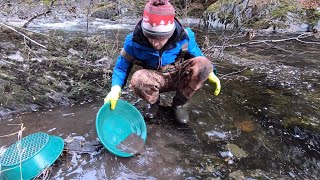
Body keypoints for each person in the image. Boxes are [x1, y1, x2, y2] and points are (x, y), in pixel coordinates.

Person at [104, 0, 221, 124]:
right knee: (138, 78)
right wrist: (116, 88)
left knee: (204, 64)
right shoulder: (133, 42)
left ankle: (178, 105)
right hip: (154, 79)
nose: (156, 43)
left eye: (161, 39)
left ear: (170, 33)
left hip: (178, 75)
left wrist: (210, 72)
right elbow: (121, 67)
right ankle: (154, 104)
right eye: (151, 37)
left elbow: (199, 58)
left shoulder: (185, 37)